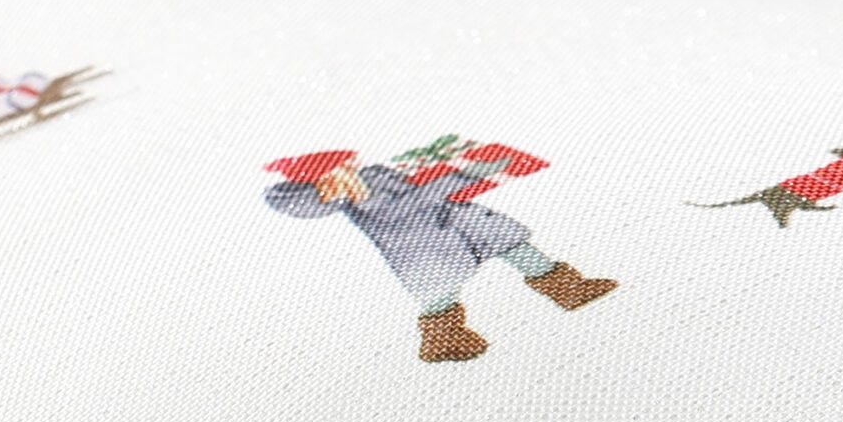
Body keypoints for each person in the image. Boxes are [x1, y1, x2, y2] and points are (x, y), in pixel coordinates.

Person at [264, 147, 616, 362]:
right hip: (423, 245)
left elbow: (415, 187)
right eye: (343, 166)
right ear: (329, 179)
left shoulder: (372, 175)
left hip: (458, 221)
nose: (352, 165)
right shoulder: (356, 195)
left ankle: (570, 289)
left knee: (513, 246)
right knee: (440, 292)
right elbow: (409, 203)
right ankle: (443, 342)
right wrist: (463, 175)